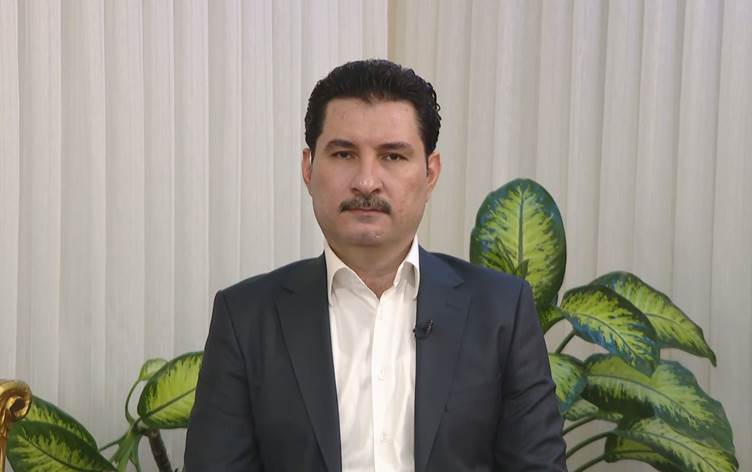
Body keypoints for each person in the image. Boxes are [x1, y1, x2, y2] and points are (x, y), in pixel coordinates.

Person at [185, 59, 566, 471]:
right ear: (309, 169)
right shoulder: (246, 318)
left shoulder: (501, 311)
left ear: (430, 173)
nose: (366, 181)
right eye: (344, 153)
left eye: (393, 156)